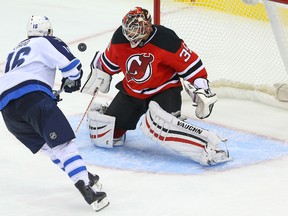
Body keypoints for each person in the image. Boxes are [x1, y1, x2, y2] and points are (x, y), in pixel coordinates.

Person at [81, 7, 232, 166]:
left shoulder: (166, 40)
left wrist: (202, 88)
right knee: (103, 134)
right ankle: (111, 113)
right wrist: (100, 75)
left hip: (164, 91)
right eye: (128, 30)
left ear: (146, 28)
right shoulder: (120, 38)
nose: (130, 34)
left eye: (134, 30)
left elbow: (191, 65)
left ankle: (208, 147)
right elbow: (108, 63)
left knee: (161, 127)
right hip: (132, 93)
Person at [0, 15, 109, 211]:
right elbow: (72, 67)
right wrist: (73, 80)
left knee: (51, 147)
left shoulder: (13, 51)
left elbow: (22, 77)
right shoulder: (47, 41)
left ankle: (82, 174)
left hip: (7, 110)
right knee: (64, 144)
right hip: (33, 99)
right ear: (48, 31)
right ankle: (87, 189)